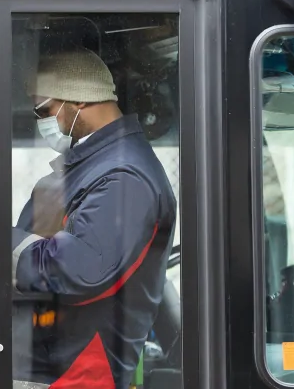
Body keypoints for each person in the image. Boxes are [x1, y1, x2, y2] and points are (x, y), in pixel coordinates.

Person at [11, 49, 177, 389]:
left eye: (44, 110)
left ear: (80, 101)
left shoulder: (124, 176)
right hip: (49, 362)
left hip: (76, 373)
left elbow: (77, 271)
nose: (40, 120)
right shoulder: (92, 167)